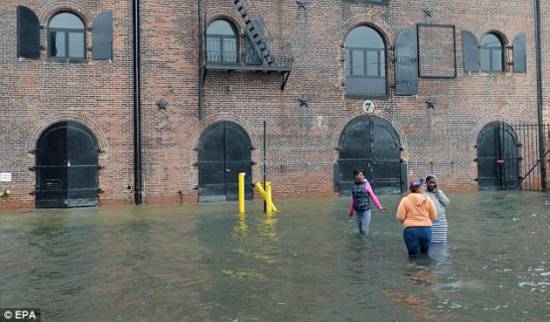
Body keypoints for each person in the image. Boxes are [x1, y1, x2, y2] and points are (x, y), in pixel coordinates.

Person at [396, 178, 437, 258]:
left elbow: (400, 216)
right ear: (418, 188)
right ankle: (426, 270)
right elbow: (434, 216)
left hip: (410, 230)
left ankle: (414, 270)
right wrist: (425, 222)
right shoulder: (428, 199)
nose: (423, 188)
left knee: (413, 257)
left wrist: (407, 223)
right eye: (422, 186)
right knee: (425, 255)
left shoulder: (405, 200)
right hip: (426, 230)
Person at [347, 168, 386, 236]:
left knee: (364, 230)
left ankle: (366, 245)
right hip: (358, 211)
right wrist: (351, 211)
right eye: (360, 175)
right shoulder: (353, 185)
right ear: (356, 176)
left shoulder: (366, 184)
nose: (362, 176)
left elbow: (373, 196)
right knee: (360, 231)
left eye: (363, 175)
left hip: (366, 211)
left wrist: (379, 207)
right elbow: (353, 199)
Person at [424, 175, 450, 243]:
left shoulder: (439, 192)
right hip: (428, 221)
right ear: (426, 183)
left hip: (441, 221)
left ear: (436, 184)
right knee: (429, 242)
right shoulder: (422, 193)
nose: (432, 184)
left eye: (433, 183)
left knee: (441, 242)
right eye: (430, 182)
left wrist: (438, 192)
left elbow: (446, 203)